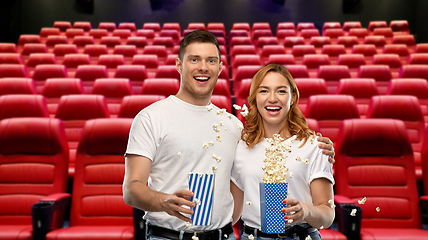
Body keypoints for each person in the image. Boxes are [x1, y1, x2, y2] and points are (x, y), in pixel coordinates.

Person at [123, 30, 334, 240]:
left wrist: (320, 152)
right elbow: (131, 189)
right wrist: (164, 202)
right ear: (179, 65)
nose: (203, 67)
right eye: (194, 59)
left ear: (220, 67)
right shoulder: (151, 117)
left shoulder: (233, 127)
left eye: (211, 60)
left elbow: (237, 199)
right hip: (167, 236)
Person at [231, 64, 335, 240]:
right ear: (255, 97)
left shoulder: (313, 146)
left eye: (281, 91)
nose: (272, 98)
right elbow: (233, 214)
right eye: (264, 91)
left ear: (292, 97)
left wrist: (306, 210)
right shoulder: (241, 147)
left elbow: (327, 216)